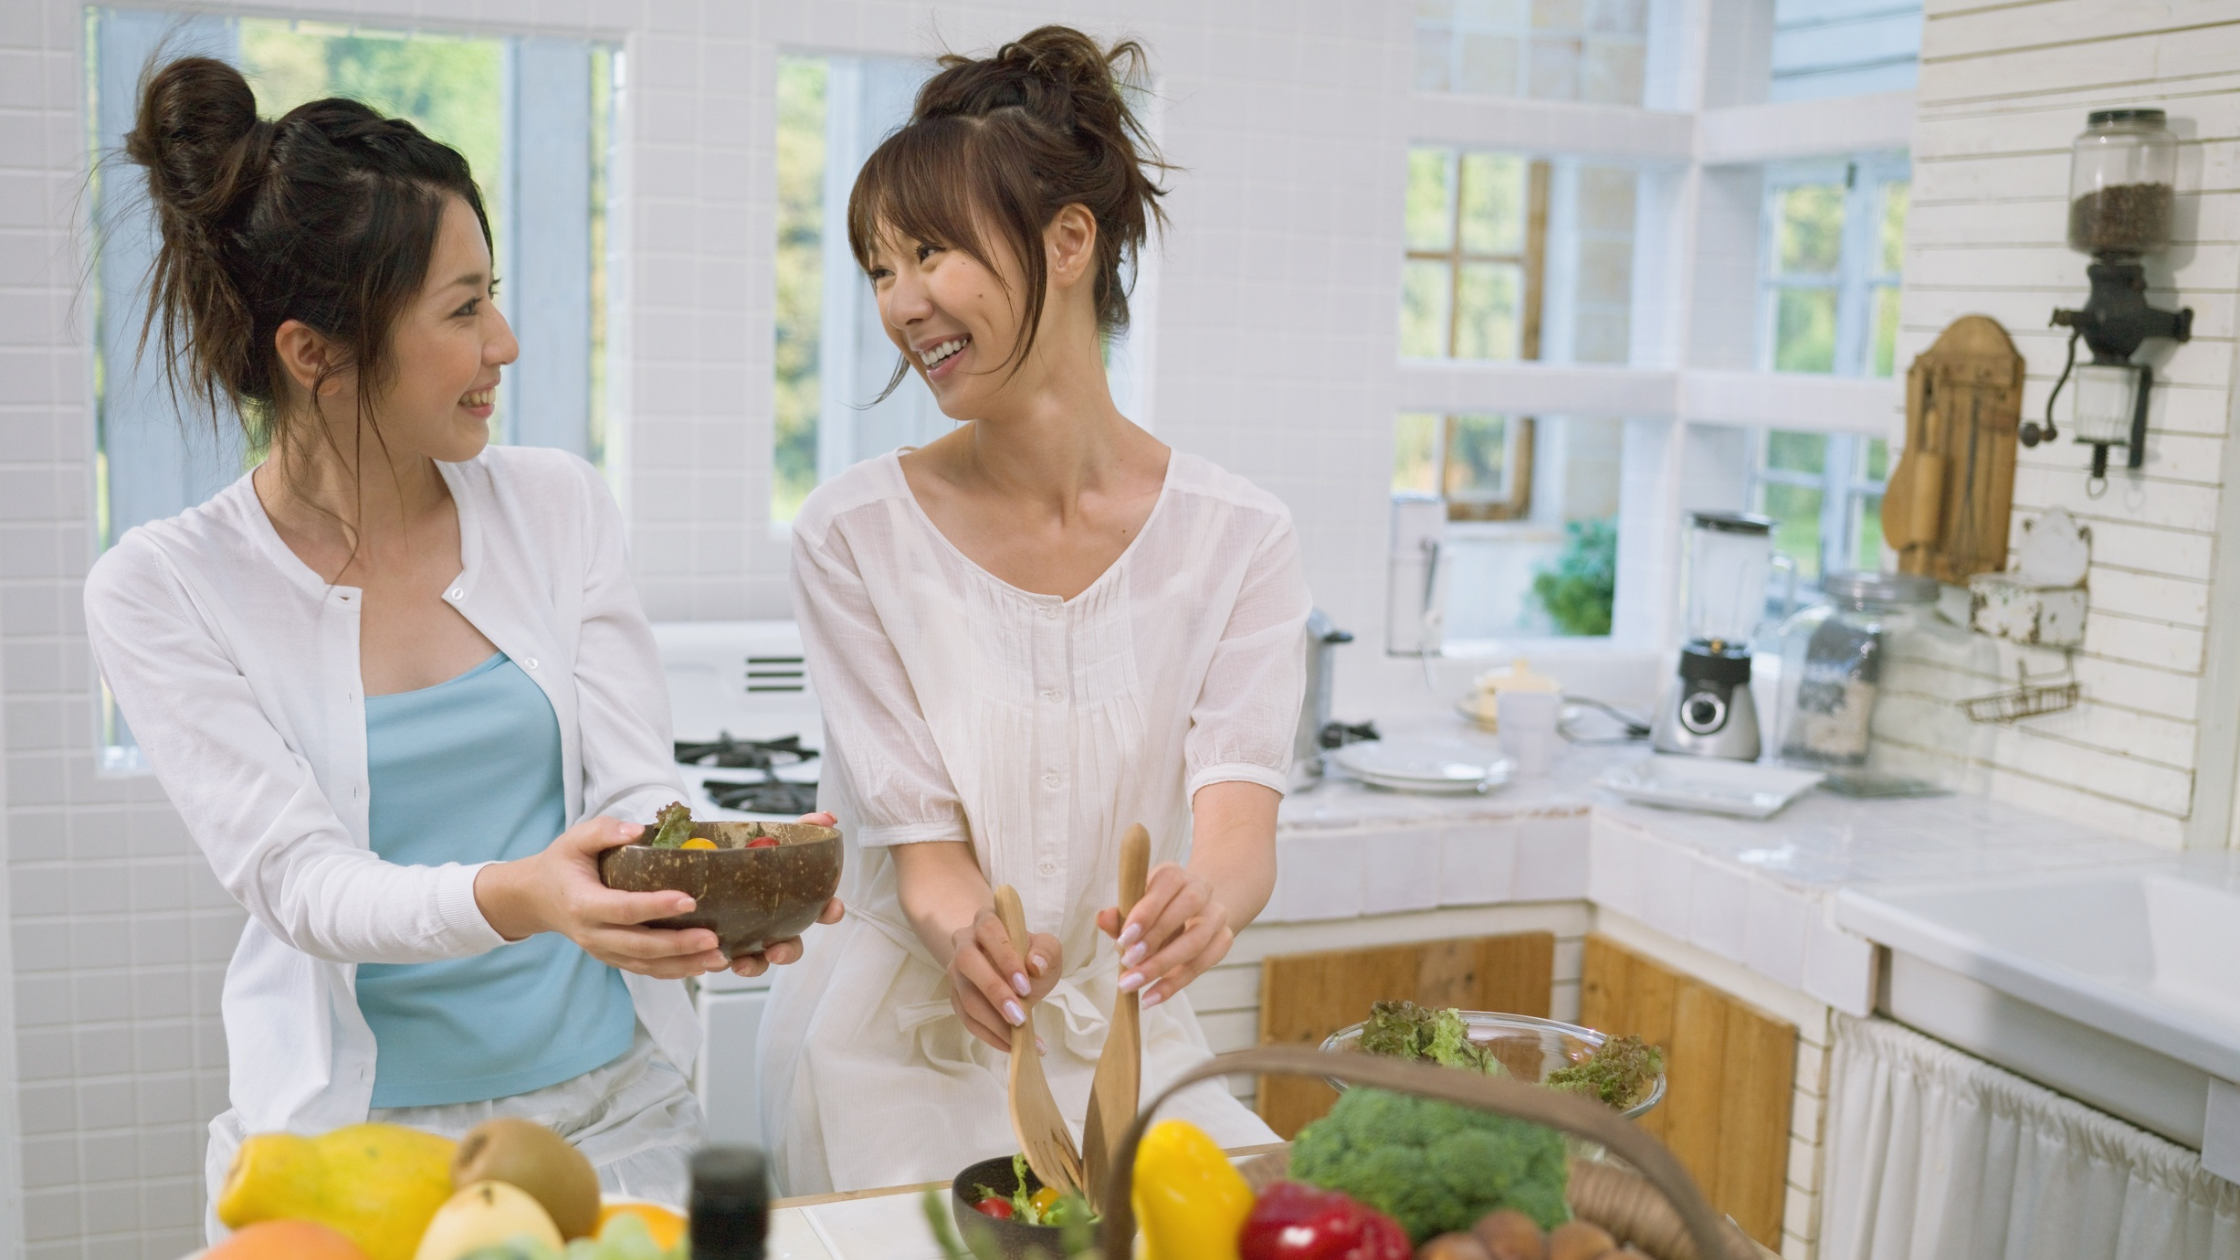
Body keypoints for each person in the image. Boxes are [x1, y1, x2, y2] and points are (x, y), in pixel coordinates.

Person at [81, 59, 839, 1231]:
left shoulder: (558, 507)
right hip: (360, 1147)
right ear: (314, 352)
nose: (506, 342)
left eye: (492, 295)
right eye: (462, 307)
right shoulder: (164, 589)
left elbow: (634, 785)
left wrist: (709, 897)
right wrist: (521, 895)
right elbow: (300, 883)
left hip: (618, 1113)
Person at [758, 26, 1310, 1194]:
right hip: (897, 1051)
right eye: (877, 267)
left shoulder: (1238, 537)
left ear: (1067, 242)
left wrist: (1201, 902)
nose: (901, 302)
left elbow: (1236, 838)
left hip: (1126, 1042)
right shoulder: (854, 536)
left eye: (930, 254)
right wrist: (972, 939)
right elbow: (926, 867)